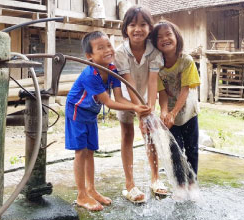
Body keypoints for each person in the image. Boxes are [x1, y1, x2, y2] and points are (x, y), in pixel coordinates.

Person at [65, 31, 151, 211]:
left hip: (90, 114)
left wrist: (137, 106)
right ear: (89, 56)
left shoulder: (112, 70)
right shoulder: (91, 74)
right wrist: (134, 108)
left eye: (109, 45)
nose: (107, 50)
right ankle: (81, 195)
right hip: (77, 112)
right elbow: (109, 103)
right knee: (81, 152)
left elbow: (119, 98)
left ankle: (91, 189)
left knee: (91, 151)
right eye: (100, 48)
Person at [114, 5, 167, 203]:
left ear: (150, 28)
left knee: (150, 134)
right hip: (126, 97)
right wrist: (137, 109)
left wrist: (149, 109)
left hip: (146, 96)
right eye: (133, 24)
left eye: (143, 24)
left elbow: (153, 81)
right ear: (126, 28)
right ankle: (130, 185)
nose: (138, 29)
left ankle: (155, 179)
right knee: (127, 134)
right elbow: (128, 81)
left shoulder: (154, 51)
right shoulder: (120, 52)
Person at [150, 20, 201, 187]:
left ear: (177, 37)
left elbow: (185, 90)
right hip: (170, 116)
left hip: (188, 112)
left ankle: (192, 183)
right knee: (175, 150)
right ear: (155, 42)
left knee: (192, 149)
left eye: (168, 34)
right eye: (159, 37)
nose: (165, 38)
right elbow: (162, 92)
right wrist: (164, 111)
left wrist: (173, 112)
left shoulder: (186, 61)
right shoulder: (157, 65)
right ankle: (180, 185)